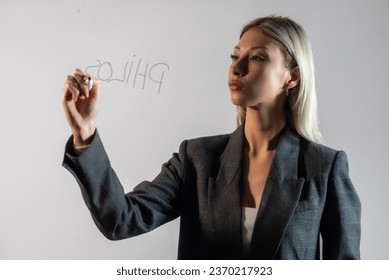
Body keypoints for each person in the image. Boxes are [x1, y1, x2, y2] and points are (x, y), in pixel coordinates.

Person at [62, 16, 361, 259]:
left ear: (292, 77)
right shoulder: (197, 158)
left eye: (257, 57)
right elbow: (121, 220)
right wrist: (84, 132)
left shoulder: (325, 166)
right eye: (235, 56)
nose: (237, 68)